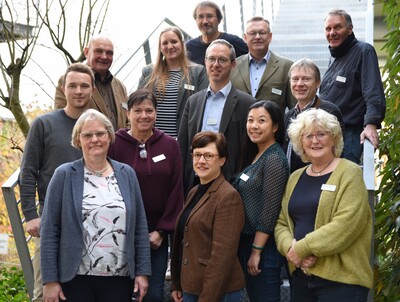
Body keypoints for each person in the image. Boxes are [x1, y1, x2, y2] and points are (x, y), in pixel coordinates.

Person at [40, 109, 151, 302]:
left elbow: (140, 227)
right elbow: (49, 229)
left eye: (100, 133)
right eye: (87, 135)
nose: (95, 139)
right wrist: (49, 280)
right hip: (75, 278)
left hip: (119, 277)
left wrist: (142, 272)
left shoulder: (127, 174)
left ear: (109, 136)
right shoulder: (64, 175)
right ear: (77, 140)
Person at [275, 108, 373, 301]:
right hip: (302, 276)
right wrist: (290, 249)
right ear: (300, 142)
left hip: (342, 280)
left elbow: (345, 225)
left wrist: (301, 249)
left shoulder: (349, 172)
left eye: (321, 134)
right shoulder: (295, 177)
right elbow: (281, 223)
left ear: (334, 139)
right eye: (308, 135)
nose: (315, 140)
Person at [19, 63, 94, 302]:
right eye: (72, 85)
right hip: (52, 221)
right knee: (45, 293)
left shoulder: (97, 127)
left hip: (91, 223)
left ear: (92, 89)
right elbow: (28, 171)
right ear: (63, 88)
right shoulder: (44, 124)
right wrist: (30, 214)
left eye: (84, 86)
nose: (78, 91)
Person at [108, 88, 184, 301]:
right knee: (119, 293)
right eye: (138, 110)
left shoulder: (170, 145)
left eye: (149, 110)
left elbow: (176, 190)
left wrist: (162, 231)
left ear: (156, 113)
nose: (144, 115)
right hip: (120, 234)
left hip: (155, 238)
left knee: (152, 294)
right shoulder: (113, 144)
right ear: (128, 113)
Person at [170, 131, 245, 302]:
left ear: (222, 160)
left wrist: (207, 298)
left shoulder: (228, 197)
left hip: (216, 292)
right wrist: (177, 283)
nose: (201, 161)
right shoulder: (195, 191)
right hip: (191, 286)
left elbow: (222, 257)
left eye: (208, 156)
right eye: (197, 155)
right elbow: (183, 240)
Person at [178, 39, 256, 195]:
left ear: (233, 64)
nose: (216, 64)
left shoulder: (247, 103)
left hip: (229, 184)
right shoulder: (193, 101)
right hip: (195, 182)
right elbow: (183, 145)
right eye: (212, 59)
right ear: (205, 62)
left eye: (222, 60)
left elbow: (250, 150)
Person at [232, 100, 289, 302]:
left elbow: (270, 209)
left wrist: (256, 251)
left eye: (262, 121)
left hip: (264, 248)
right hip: (249, 242)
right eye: (250, 120)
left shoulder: (274, 158)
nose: (254, 126)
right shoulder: (258, 154)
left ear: (275, 127)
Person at [319, 9, 386, 164]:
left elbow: (373, 92)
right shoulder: (335, 57)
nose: (332, 32)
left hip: (350, 135)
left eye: (337, 27)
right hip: (329, 134)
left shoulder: (364, 51)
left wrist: (371, 124)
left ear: (350, 29)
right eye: (328, 29)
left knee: (347, 182)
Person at [137, 26, 208, 137]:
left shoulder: (198, 72)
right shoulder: (148, 72)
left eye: (174, 42)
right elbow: (137, 104)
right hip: (153, 139)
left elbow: (203, 106)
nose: (170, 46)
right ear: (160, 48)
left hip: (183, 139)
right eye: (165, 43)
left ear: (182, 44)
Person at [54, 34, 128, 130]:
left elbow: (128, 119)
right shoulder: (68, 82)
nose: (104, 57)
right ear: (86, 52)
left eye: (109, 53)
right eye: (99, 51)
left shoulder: (120, 87)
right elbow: (62, 120)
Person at [284, 58, 344, 173]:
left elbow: (337, 152)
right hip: (293, 181)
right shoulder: (289, 115)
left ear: (318, 82)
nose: (299, 84)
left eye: (306, 79)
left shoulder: (329, 112)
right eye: (295, 79)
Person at [230, 16, 296, 113]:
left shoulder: (287, 67)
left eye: (262, 33)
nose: (257, 37)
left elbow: (295, 108)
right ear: (245, 37)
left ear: (270, 37)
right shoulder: (233, 66)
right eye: (252, 33)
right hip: (239, 127)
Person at [186, 1, 248, 66]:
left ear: (219, 20)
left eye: (209, 16)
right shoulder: (189, 48)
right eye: (200, 17)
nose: (205, 21)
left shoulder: (234, 42)